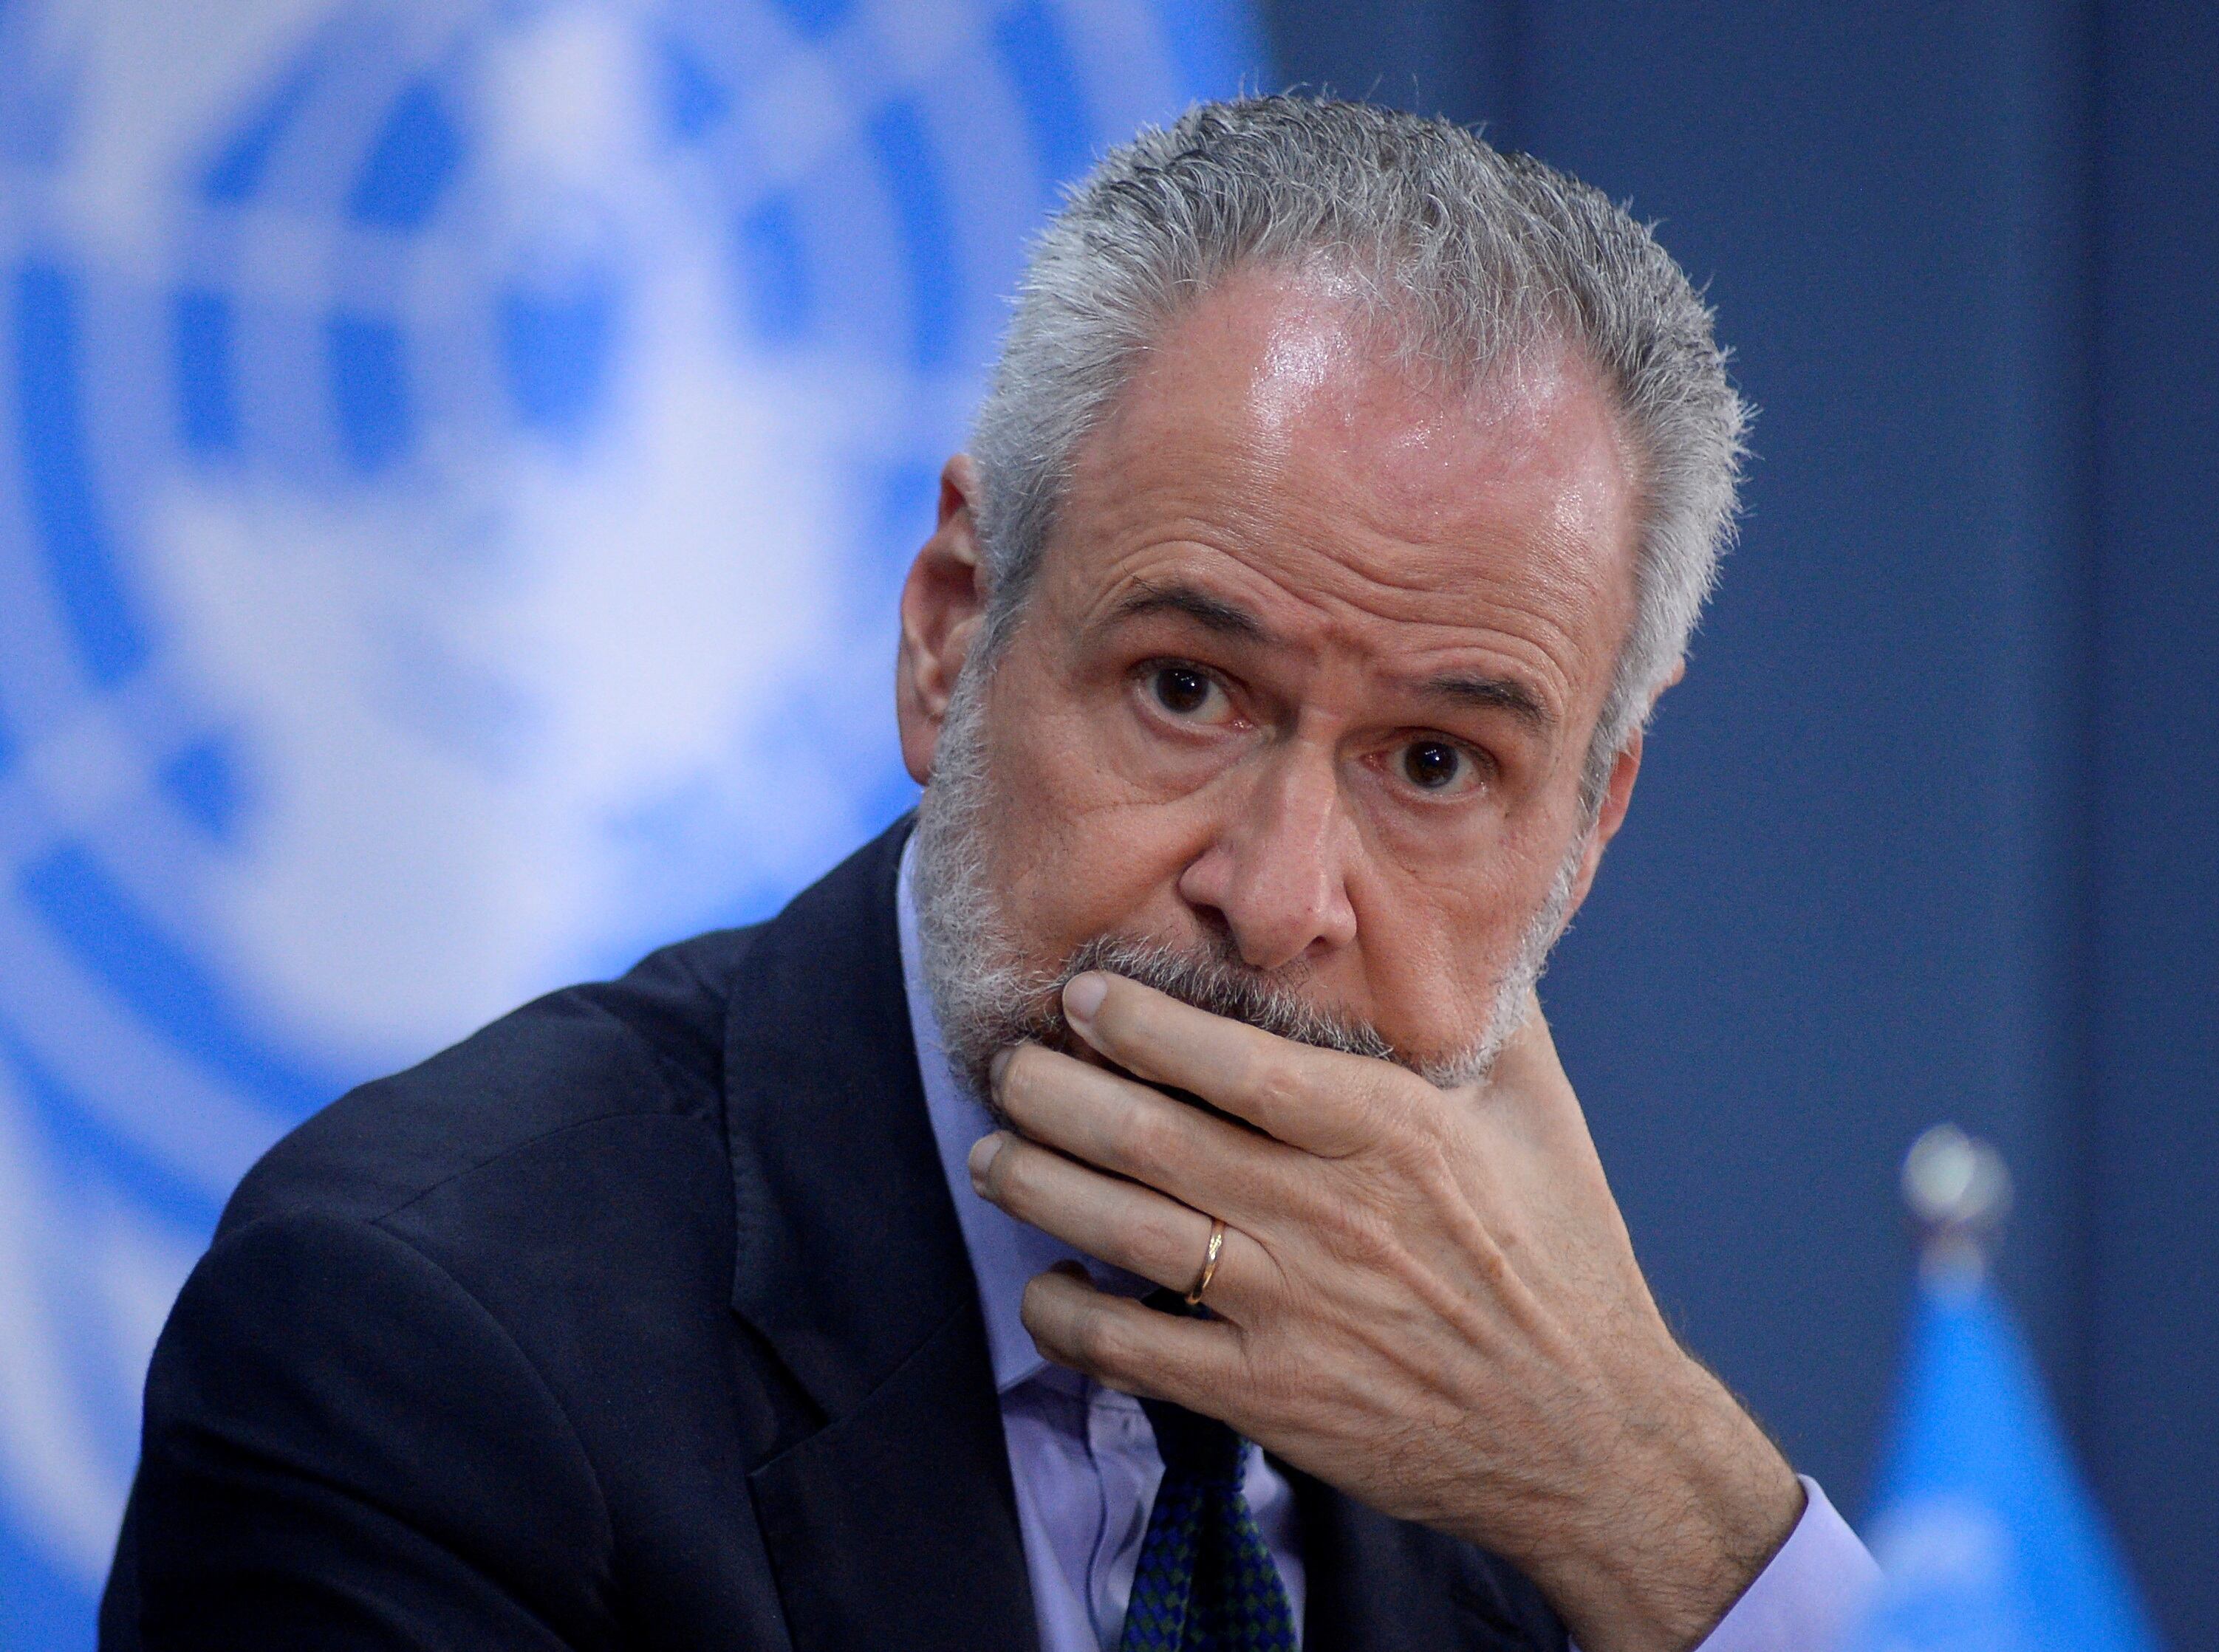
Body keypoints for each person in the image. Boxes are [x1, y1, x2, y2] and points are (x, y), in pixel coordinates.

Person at [102, 97, 1877, 1651]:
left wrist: (1641, 1492)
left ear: (1592, 825)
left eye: (1434, 765)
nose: (1277, 904)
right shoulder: (417, 1340)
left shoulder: (1538, 1411)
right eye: (1187, 689)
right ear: (952, 637)